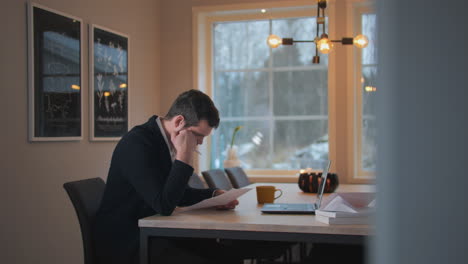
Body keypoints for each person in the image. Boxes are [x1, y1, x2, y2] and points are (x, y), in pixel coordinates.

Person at [93, 90, 241, 264]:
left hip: (155, 232)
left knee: (229, 256)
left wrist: (215, 195)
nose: (200, 142)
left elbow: (179, 194)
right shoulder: (137, 143)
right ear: (179, 121)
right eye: (198, 135)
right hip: (126, 240)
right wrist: (184, 157)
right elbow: (164, 205)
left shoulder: (162, 140)